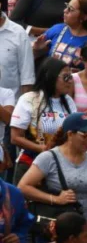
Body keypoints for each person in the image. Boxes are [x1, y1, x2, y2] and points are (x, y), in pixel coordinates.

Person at [18, 112, 87, 243]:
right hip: (61, 231)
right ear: (70, 134)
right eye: (85, 134)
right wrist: (55, 199)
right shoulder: (49, 157)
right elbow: (23, 186)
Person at [10, 58, 77, 186]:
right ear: (50, 76)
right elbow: (15, 138)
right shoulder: (29, 99)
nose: (70, 81)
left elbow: (74, 129)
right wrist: (42, 149)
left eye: (71, 76)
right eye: (66, 77)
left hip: (61, 165)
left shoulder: (68, 101)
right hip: (31, 163)